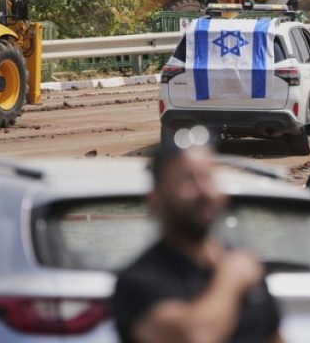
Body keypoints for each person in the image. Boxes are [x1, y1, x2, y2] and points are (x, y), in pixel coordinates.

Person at [112, 145, 282, 343]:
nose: (203, 191)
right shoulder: (139, 282)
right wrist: (231, 279)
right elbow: (193, 336)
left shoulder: (245, 269)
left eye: (207, 177)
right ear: (155, 200)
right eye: (187, 180)